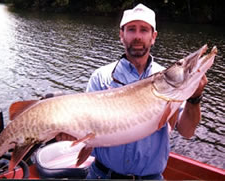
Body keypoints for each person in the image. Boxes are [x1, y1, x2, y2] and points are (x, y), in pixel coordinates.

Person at [83, 3, 207, 180]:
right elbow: (85, 126)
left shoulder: (170, 83)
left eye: (144, 30)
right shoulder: (100, 78)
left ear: (153, 36)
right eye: (131, 29)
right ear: (122, 35)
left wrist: (195, 98)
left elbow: (187, 131)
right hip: (102, 175)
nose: (137, 36)